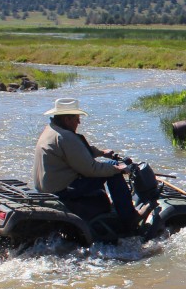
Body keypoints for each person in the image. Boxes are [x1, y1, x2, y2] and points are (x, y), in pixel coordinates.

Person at [33, 97, 138, 234]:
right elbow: (91, 169)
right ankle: (129, 220)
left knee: (110, 166)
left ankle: (107, 209)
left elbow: (76, 152)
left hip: (48, 187)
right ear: (67, 119)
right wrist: (119, 169)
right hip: (62, 190)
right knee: (113, 170)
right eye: (77, 118)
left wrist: (101, 152)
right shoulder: (65, 137)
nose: (79, 122)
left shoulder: (51, 130)